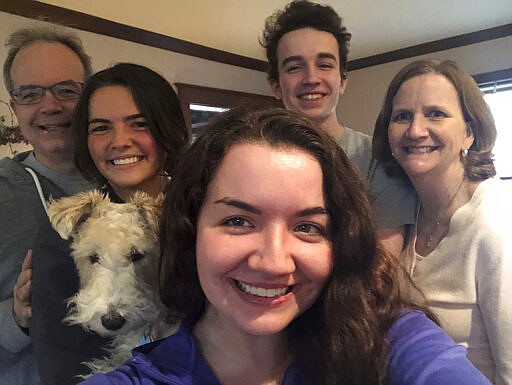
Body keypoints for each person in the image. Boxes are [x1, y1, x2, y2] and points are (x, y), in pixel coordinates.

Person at [81, 107, 489, 385]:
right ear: (190, 231)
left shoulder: (385, 337)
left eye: (308, 226)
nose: (274, 262)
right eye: (238, 221)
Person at [29, 62, 190, 384]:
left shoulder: (197, 215)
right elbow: (59, 357)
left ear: (165, 128)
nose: (120, 141)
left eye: (139, 124)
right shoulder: (66, 234)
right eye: (101, 127)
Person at [372, 59, 512, 384]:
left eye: (436, 113)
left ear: (469, 133)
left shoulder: (497, 225)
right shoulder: (404, 210)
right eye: (402, 116)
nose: (416, 130)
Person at [260, 0, 417, 258]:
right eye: (294, 67)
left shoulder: (378, 158)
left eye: (324, 64)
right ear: (276, 86)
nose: (311, 78)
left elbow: (384, 265)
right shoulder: (254, 158)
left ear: (342, 80)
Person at [0, 26, 94, 385]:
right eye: (30, 94)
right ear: (15, 107)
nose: (50, 106)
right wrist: (16, 316)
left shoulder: (127, 186)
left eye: (66, 90)